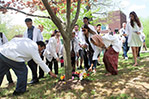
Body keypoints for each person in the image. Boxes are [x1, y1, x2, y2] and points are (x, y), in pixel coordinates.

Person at [23, 18, 43, 84]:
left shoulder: (37, 31)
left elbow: (40, 40)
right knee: (30, 63)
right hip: (28, 50)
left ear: (32, 22)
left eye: (30, 23)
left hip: (35, 49)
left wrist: (40, 51)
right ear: (26, 24)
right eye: (27, 24)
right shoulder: (25, 32)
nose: (29, 25)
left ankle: (35, 78)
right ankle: (35, 77)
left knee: (34, 63)